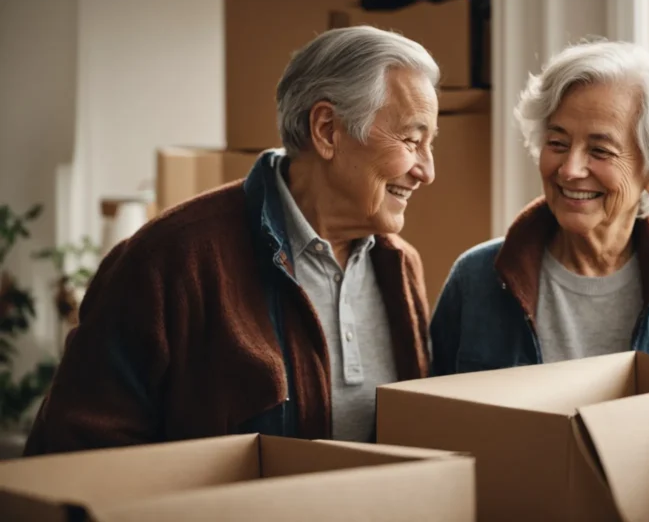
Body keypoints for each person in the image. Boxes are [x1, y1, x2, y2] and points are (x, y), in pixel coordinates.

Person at [25, 26, 440, 454]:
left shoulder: (399, 267)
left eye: (430, 146)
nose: (427, 171)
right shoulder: (170, 259)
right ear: (327, 129)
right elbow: (74, 452)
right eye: (411, 141)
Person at [430, 41, 649, 380]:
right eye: (557, 143)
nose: (570, 169)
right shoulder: (477, 278)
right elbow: (427, 421)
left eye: (600, 150)